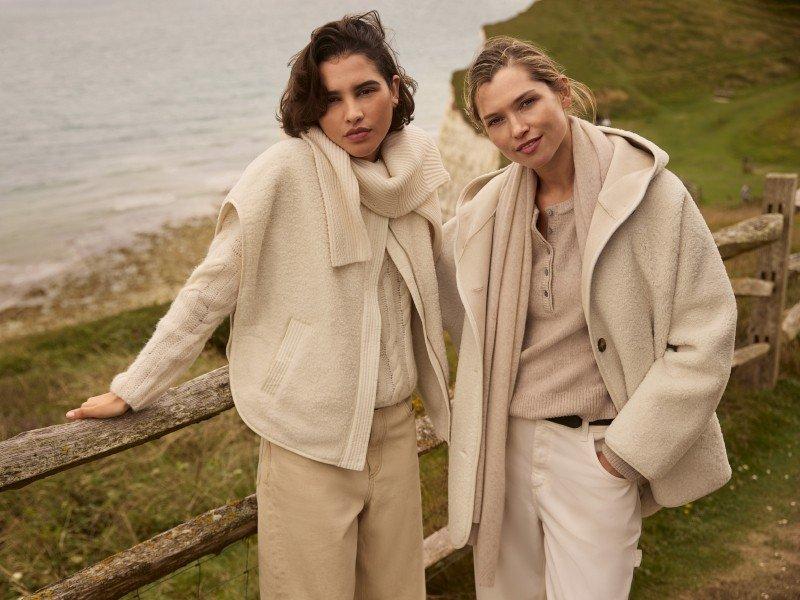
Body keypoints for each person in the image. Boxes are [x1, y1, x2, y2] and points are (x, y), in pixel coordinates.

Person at [65, 11, 451, 600]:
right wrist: (134, 386)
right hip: (307, 441)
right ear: (311, 106)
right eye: (332, 98)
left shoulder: (413, 171)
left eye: (366, 90)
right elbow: (210, 287)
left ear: (394, 90)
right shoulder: (283, 171)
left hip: (395, 431)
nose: (352, 113)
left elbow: (447, 287)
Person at [435, 36, 737, 599]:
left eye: (527, 103)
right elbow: (426, 285)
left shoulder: (651, 197)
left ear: (563, 93)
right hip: (505, 450)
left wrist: (624, 454)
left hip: (597, 452)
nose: (517, 129)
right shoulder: (484, 216)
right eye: (496, 120)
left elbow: (705, 336)